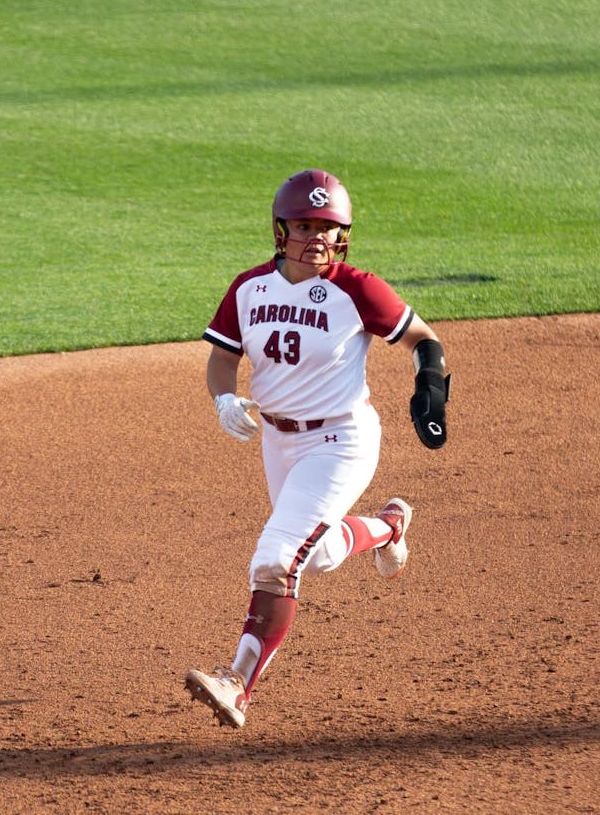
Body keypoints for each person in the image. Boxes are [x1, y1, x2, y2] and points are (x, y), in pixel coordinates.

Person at [184, 168, 450, 728]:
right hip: (279, 443)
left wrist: (430, 387)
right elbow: (222, 356)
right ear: (281, 230)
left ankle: (237, 684)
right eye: (304, 225)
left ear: (343, 233)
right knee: (319, 554)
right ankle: (388, 527)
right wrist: (224, 399)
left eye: (327, 227)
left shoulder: (357, 288)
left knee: (278, 558)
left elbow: (424, 339)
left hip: (342, 440)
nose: (317, 238)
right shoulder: (249, 288)